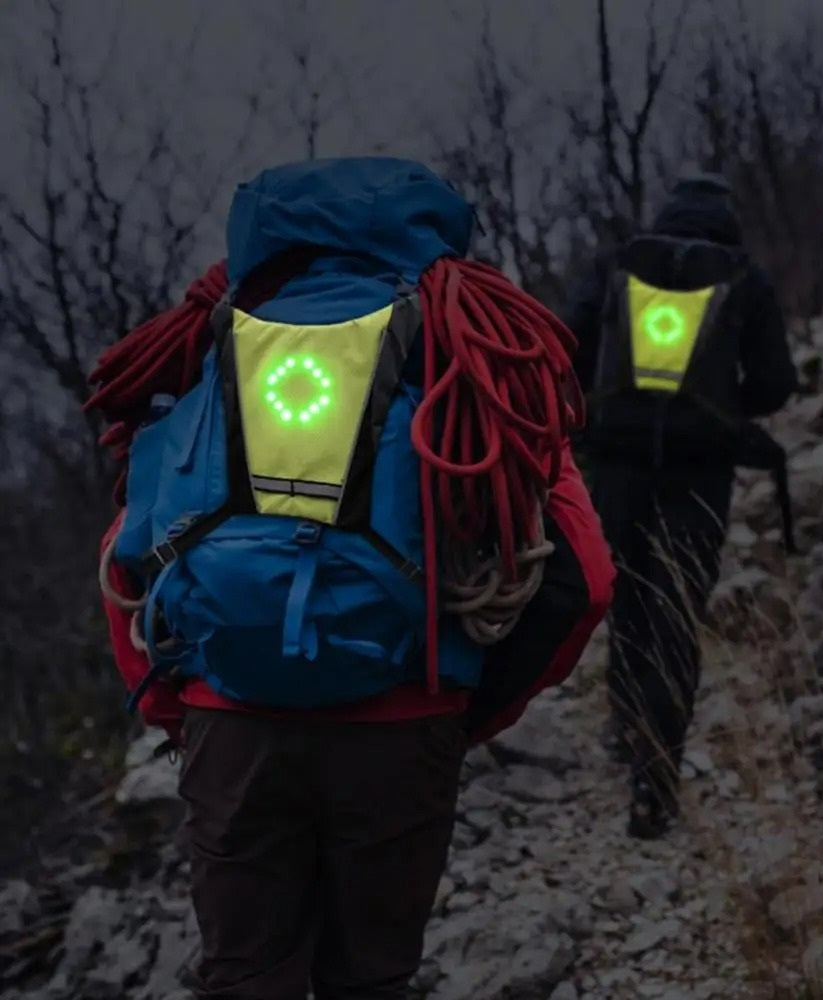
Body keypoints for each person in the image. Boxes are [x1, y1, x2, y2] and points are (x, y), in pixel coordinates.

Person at [88, 157, 615, 999]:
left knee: (243, 979)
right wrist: (462, 710)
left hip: (231, 723)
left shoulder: (207, 341)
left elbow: (126, 553)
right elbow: (583, 578)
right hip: (403, 724)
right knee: (371, 980)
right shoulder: (471, 348)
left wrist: (177, 714)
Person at [563, 171, 797, 838]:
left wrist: (597, 418)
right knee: (677, 611)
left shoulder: (617, 266)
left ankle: (623, 724)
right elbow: (777, 382)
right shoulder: (744, 280)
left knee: (627, 599)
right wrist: (721, 408)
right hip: (700, 473)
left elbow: (567, 349)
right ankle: (655, 781)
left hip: (615, 465)